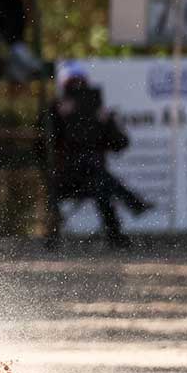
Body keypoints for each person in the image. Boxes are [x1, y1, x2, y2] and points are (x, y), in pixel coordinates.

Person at [40, 63, 152, 249]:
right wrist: (58, 119)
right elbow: (42, 146)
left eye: (81, 82)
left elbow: (120, 144)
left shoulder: (97, 112)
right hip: (65, 178)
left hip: (92, 180)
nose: (78, 86)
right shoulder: (53, 111)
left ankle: (117, 236)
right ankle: (131, 207)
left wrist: (107, 123)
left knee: (99, 180)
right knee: (99, 176)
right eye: (73, 82)